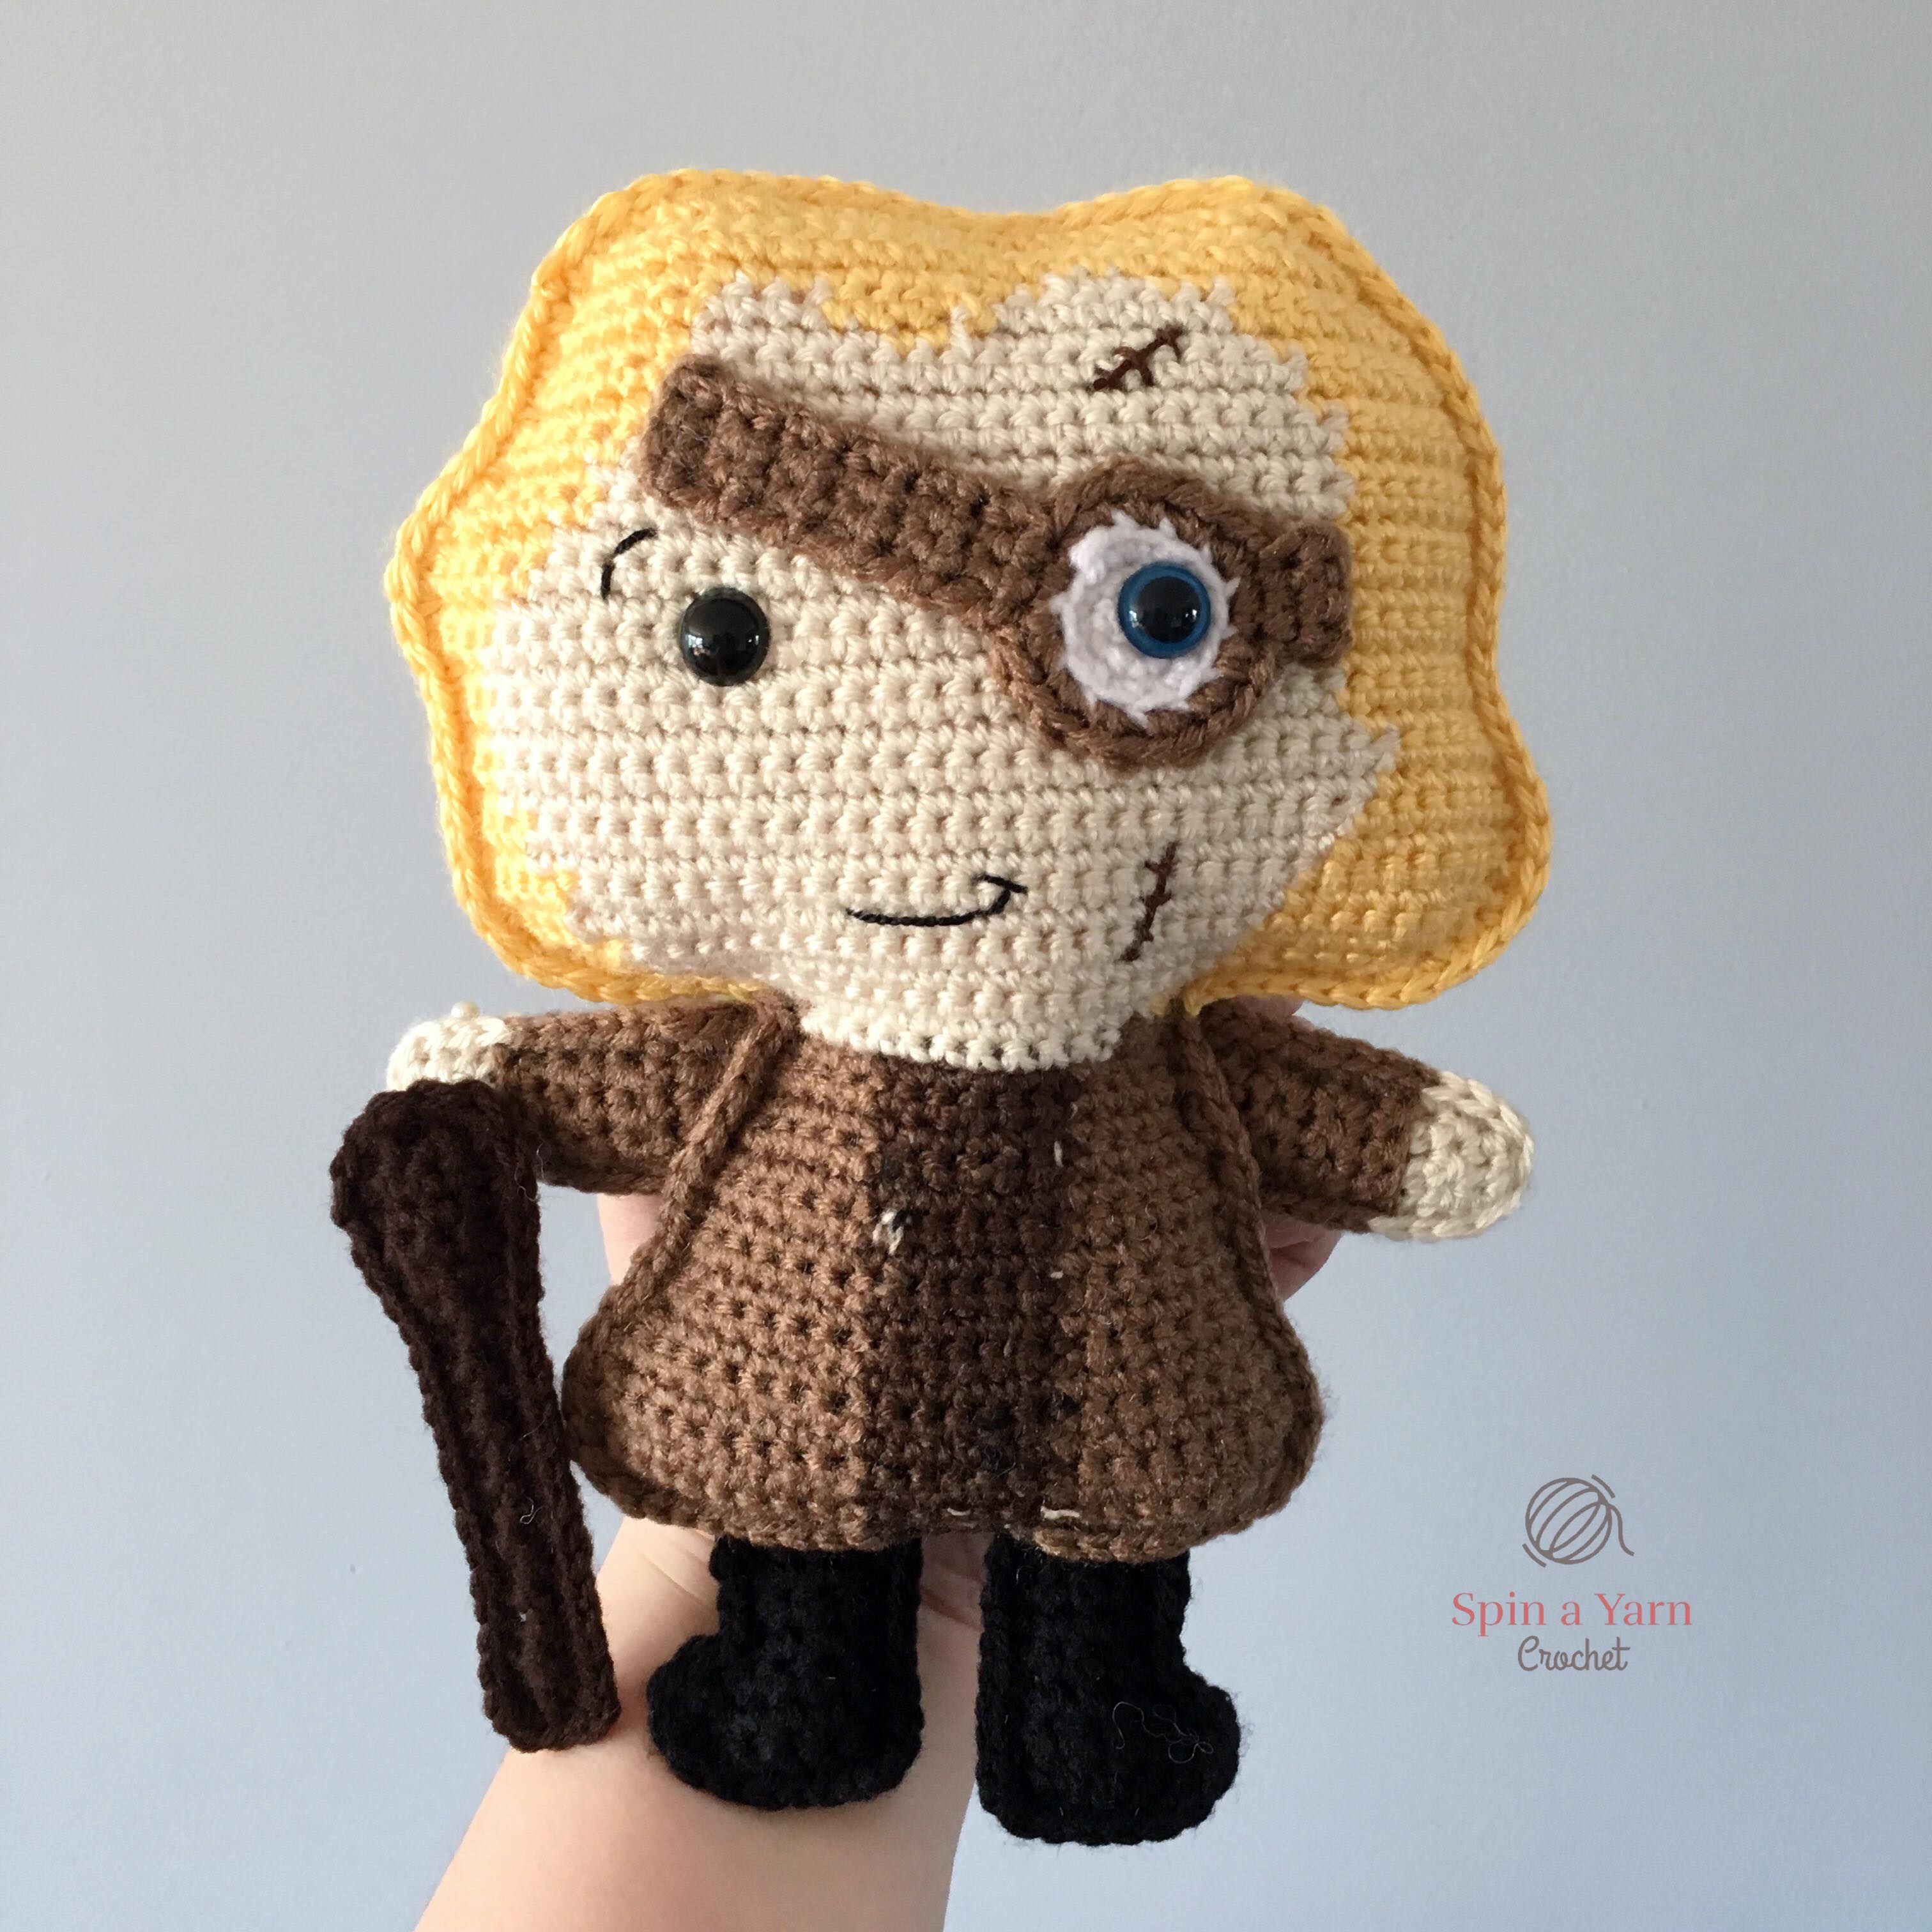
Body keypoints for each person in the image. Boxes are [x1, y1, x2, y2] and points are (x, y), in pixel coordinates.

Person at [415, 1001, 1341, 1932]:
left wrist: (473, 1073)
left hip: (1065, 1382)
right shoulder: (789, 1051)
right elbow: (602, 1087)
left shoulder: (1162, 1055)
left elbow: (1337, 1122)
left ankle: (1082, 1715)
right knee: (844, 1498)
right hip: (841, 1386)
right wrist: (482, 1080)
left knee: (1096, 1485)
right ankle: (844, 1702)